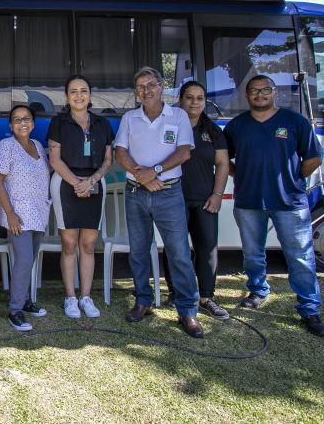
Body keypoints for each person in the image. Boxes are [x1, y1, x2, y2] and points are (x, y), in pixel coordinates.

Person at [223, 74, 324, 336]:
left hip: (289, 202)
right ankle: (258, 291)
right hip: (249, 201)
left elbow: (314, 158)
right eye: (254, 90)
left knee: (300, 257)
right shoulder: (236, 126)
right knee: (253, 253)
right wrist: (242, 175)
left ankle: (309, 308)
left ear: (274, 92)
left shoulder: (295, 121)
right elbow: (223, 159)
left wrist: (293, 178)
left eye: (265, 90)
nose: (259, 95)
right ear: (247, 95)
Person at [114, 66, 204, 338]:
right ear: (136, 92)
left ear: (161, 86)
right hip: (136, 193)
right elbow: (120, 152)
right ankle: (143, 301)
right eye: (141, 87)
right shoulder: (130, 118)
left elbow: (184, 152)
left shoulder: (178, 116)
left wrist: (154, 172)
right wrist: (142, 177)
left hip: (168, 193)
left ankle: (187, 310)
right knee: (139, 252)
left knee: (179, 253)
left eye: (151, 84)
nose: (147, 90)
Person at [161, 81, 231, 320]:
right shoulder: (168, 125)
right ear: (180, 100)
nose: (194, 102)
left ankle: (206, 297)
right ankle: (176, 293)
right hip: (173, 197)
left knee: (207, 247)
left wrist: (217, 195)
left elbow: (223, 164)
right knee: (175, 248)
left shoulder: (213, 130)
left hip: (205, 199)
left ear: (204, 102)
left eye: (199, 98)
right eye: (189, 97)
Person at [47, 75, 112, 319]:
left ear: (90, 95)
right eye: (73, 91)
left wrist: (91, 182)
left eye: (83, 90)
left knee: (88, 244)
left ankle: (85, 297)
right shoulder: (59, 122)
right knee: (69, 243)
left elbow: (108, 159)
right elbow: (55, 159)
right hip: (66, 185)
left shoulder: (102, 123)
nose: (78, 95)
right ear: (66, 96)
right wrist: (77, 184)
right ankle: (70, 297)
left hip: (94, 184)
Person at [0, 105, 50, 332]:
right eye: (17, 120)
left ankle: (24, 298)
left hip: (39, 212)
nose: (22, 123)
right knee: (24, 259)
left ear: (33, 123)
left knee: (30, 259)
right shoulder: (6, 146)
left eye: (26, 119)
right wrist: (10, 214)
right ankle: (15, 310)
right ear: (11, 125)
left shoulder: (37, 146)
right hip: (17, 214)